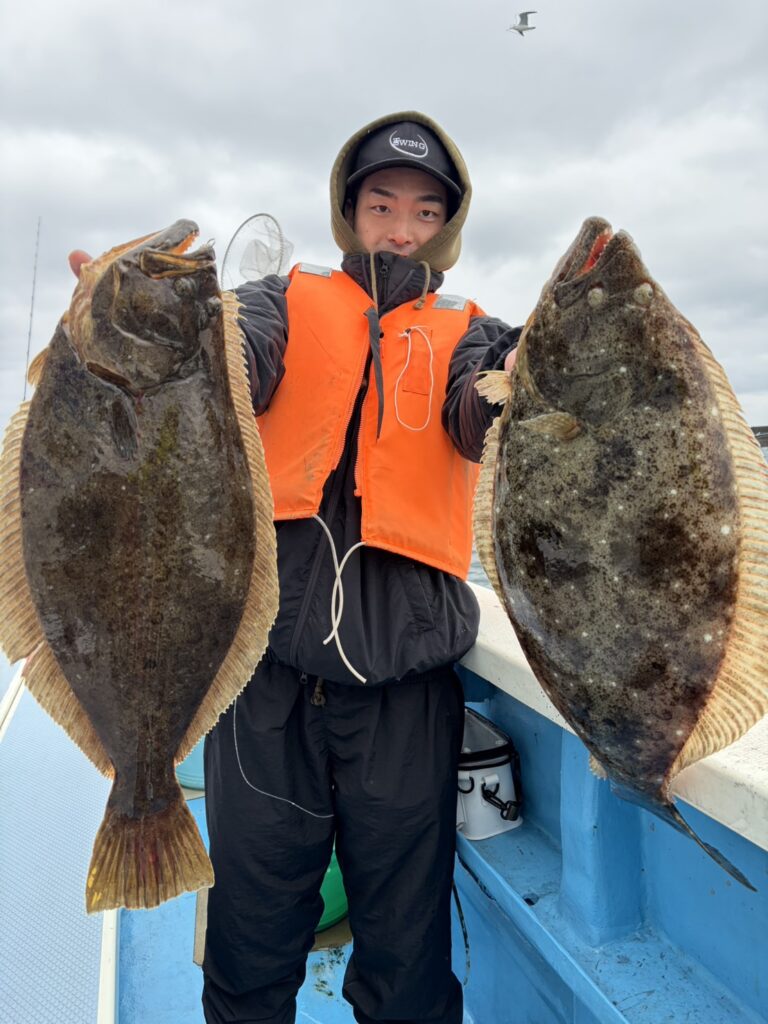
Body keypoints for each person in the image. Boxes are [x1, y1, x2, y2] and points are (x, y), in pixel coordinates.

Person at [75, 110, 520, 1024]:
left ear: (448, 225)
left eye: (425, 211)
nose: (400, 229)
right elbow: (232, 359)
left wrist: (528, 367)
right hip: (265, 679)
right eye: (381, 204)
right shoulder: (277, 301)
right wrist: (136, 332)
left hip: (405, 690)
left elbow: (480, 411)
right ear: (348, 211)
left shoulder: (474, 335)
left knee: (408, 952)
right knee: (252, 935)